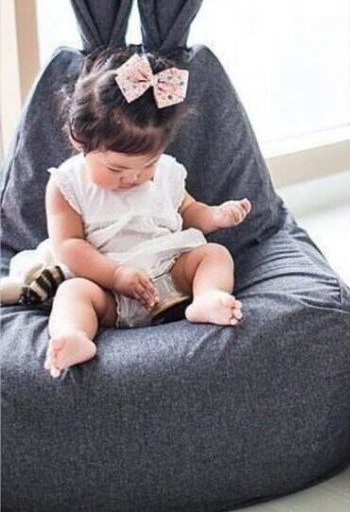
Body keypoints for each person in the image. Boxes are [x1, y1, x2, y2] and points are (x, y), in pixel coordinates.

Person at [42, 49, 251, 378]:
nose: (133, 178)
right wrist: (115, 276)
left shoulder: (167, 172)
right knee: (72, 293)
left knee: (214, 255)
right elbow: (68, 245)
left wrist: (215, 216)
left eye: (148, 164)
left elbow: (188, 210)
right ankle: (74, 336)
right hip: (107, 288)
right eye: (117, 169)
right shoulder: (68, 185)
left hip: (170, 276)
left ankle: (207, 297)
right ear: (80, 140)